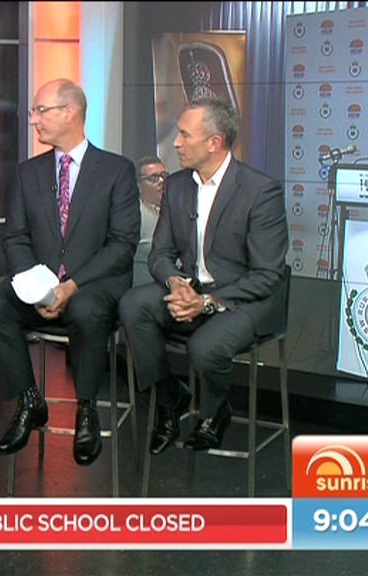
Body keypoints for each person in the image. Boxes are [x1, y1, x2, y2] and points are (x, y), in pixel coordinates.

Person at [0, 78, 139, 466]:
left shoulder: (116, 170)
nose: (33, 120)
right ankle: (29, 400)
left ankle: (86, 408)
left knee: (86, 310)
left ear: (70, 112)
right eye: (33, 112)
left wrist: (72, 286)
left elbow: (122, 244)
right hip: (41, 285)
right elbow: (15, 237)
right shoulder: (28, 173)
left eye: (40, 111)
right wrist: (38, 288)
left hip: (94, 285)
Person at [118, 96, 288, 455]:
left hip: (245, 299)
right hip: (193, 287)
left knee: (204, 347)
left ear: (214, 142)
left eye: (185, 135)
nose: (176, 143)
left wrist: (207, 302)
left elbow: (267, 274)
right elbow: (160, 253)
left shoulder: (260, 191)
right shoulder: (177, 185)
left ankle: (215, 411)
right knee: (133, 304)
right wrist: (176, 283)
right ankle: (169, 398)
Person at [133, 155, 167, 286]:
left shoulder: (178, 210)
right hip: (145, 287)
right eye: (153, 178)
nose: (161, 181)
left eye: (164, 176)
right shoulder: (134, 216)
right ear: (139, 186)